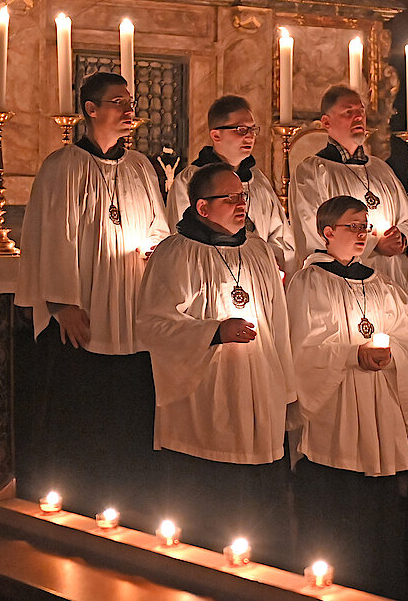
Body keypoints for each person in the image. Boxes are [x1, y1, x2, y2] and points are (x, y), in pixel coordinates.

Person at [15, 72, 169, 521]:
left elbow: (159, 226)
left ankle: (130, 499)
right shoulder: (62, 165)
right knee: (82, 409)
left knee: (129, 410)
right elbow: (53, 236)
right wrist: (62, 303)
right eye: (118, 102)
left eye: (130, 101)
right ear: (90, 109)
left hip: (133, 305)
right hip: (83, 311)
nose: (129, 110)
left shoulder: (141, 167)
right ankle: (76, 498)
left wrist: (157, 249)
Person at [135, 163, 294, 566]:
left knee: (259, 507)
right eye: (232, 198)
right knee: (209, 507)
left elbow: (278, 325)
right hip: (204, 398)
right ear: (203, 208)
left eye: (244, 196)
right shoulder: (177, 251)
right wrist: (215, 331)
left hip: (258, 390)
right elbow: (151, 324)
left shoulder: (257, 249)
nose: (242, 204)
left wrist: (284, 390)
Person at [286, 195, 408, 599]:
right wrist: (352, 354)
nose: (363, 234)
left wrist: (389, 353)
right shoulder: (308, 282)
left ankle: (379, 584)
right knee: (336, 502)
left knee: (378, 505)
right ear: (327, 233)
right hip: (336, 407)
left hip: (378, 405)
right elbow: (301, 347)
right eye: (353, 227)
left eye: (366, 226)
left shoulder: (383, 283)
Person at [290, 85, 408, 288]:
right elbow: (314, 231)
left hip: (393, 283)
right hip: (342, 282)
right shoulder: (313, 172)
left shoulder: (380, 168)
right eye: (348, 112)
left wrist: (402, 237)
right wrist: (375, 243)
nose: (358, 117)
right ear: (326, 122)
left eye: (361, 111)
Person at [166, 95, 294, 271]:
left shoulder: (258, 181)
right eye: (241, 129)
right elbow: (183, 239)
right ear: (216, 135)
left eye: (252, 129)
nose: (250, 136)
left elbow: (279, 236)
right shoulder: (189, 181)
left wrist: (269, 265)